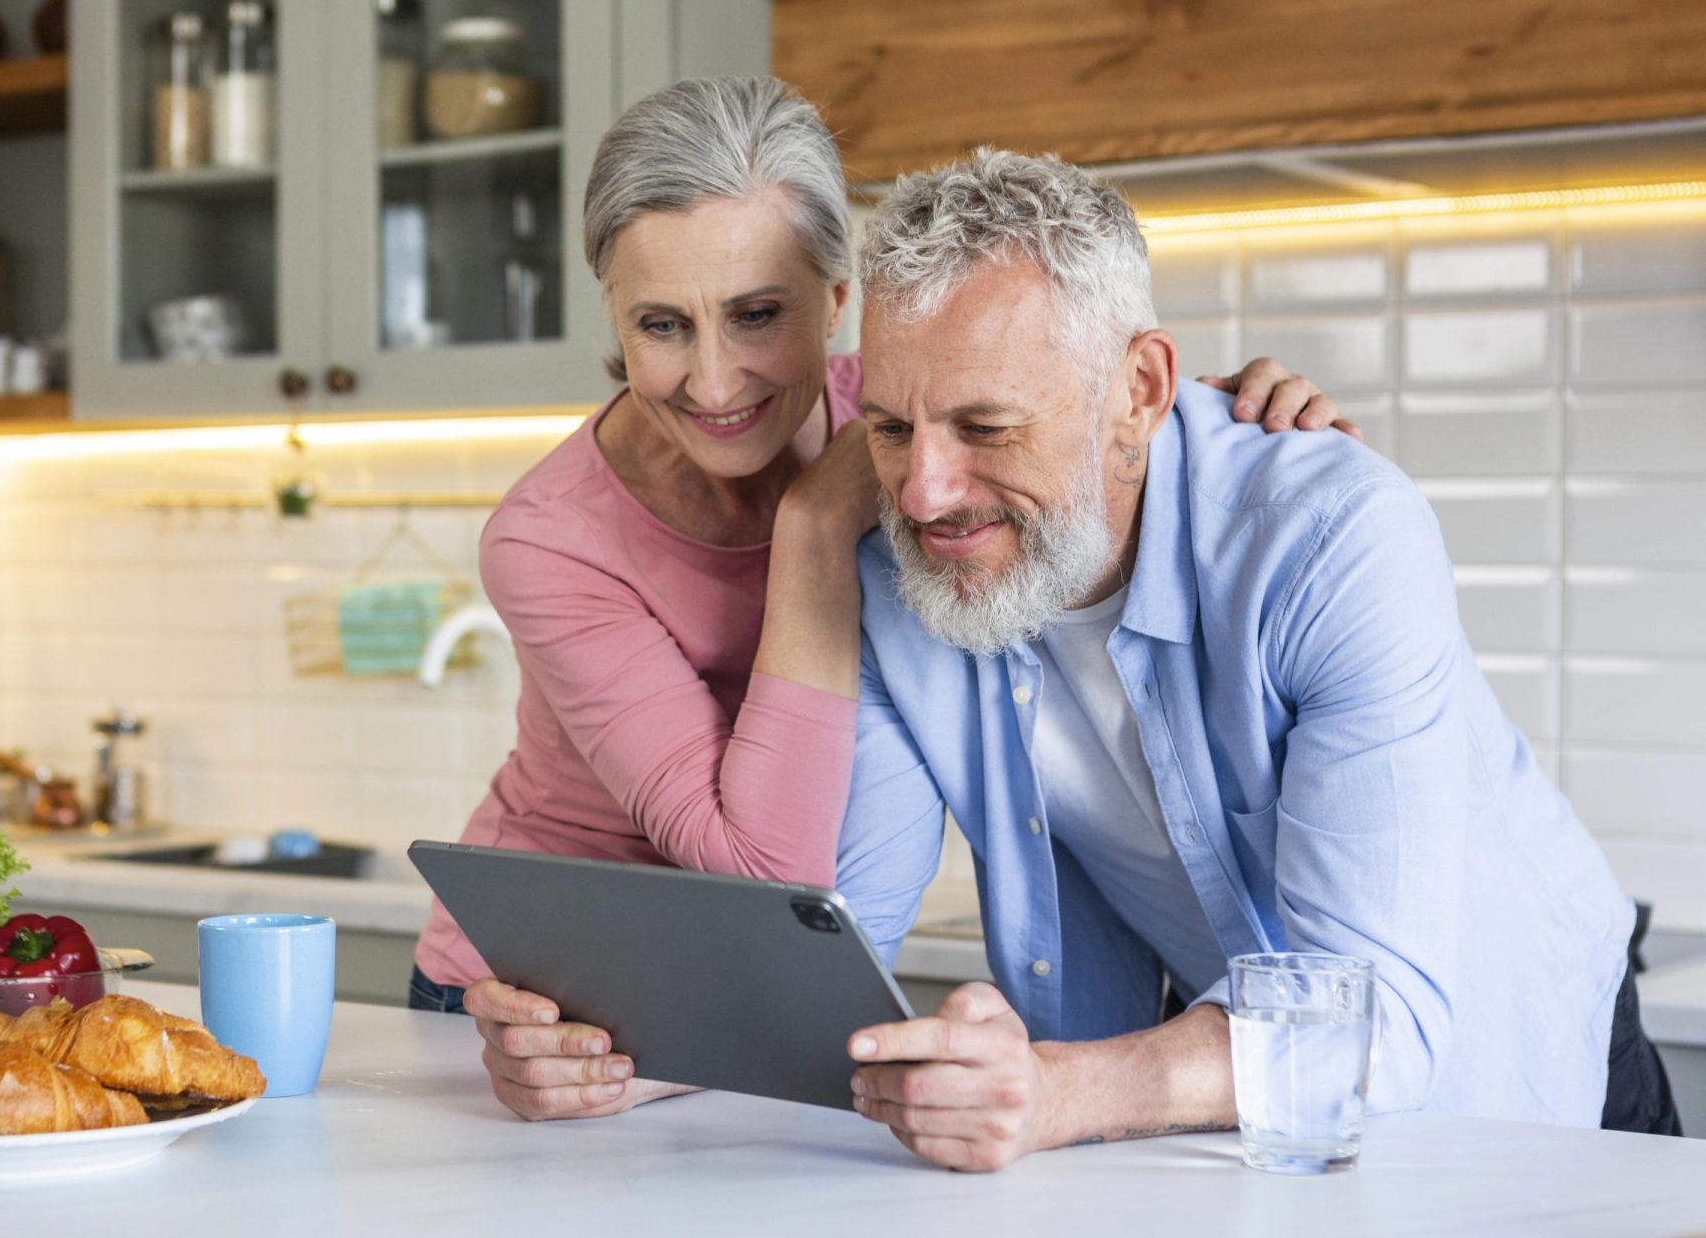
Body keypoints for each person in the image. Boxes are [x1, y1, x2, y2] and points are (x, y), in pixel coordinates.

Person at [426, 78, 1354, 1119]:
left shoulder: (907, 414)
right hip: (554, 1011)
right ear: (613, 316)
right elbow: (768, 872)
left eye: (757, 315)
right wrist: (816, 530)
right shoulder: (551, 539)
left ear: (838, 299)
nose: (717, 379)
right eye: (661, 325)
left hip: (739, 999)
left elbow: (1069, 404)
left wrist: (1214, 412)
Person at [816, 149, 1678, 1170]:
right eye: (890, 427)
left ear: (1137, 389)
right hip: (1250, 1102)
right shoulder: (903, 572)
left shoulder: (1332, 535)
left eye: (985, 427)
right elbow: (840, 940)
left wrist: (1061, 1088)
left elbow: (1377, 1011)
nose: (922, 491)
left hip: (1511, 1065)